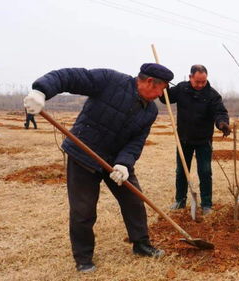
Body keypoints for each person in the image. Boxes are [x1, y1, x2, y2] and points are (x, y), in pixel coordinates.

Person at [23, 63, 174, 272]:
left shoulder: (150, 111)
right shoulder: (110, 80)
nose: (161, 95)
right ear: (150, 82)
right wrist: (41, 90)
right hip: (83, 153)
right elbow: (69, 77)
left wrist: (124, 164)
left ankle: (141, 244)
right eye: (162, 89)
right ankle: (84, 258)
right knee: (83, 210)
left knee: (134, 200)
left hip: (115, 160)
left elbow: (135, 142)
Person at [161, 64, 230, 215]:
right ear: (190, 77)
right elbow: (165, 98)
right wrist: (163, 85)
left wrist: (222, 124)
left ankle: (206, 204)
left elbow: (220, 112)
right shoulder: (181, 89)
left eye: (203, 82)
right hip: (184, 139)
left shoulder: (212, 95)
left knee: (205, 172)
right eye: (197, 81)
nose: (200, 85)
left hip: (203, 140)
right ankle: (180, 201)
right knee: (181, 171)